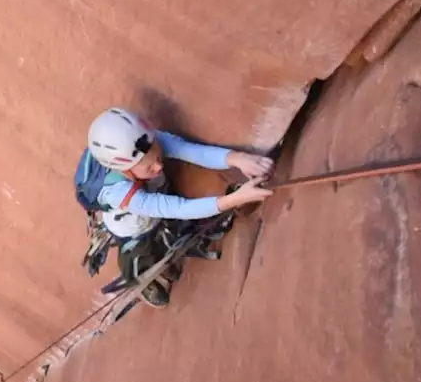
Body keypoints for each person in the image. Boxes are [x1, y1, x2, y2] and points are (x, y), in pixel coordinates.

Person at [74, 107, 274, 307]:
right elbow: (177, 208)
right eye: (149, 166)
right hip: (132, 223)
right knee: (140, 252)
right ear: (125, 169)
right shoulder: (117, 192)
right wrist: (235, 199)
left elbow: (191, 151)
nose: (159, 166)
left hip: (151, 193)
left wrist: (238, 158)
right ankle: (142, 278)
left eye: (158, 157)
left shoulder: (145, 142)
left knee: (161, 191)